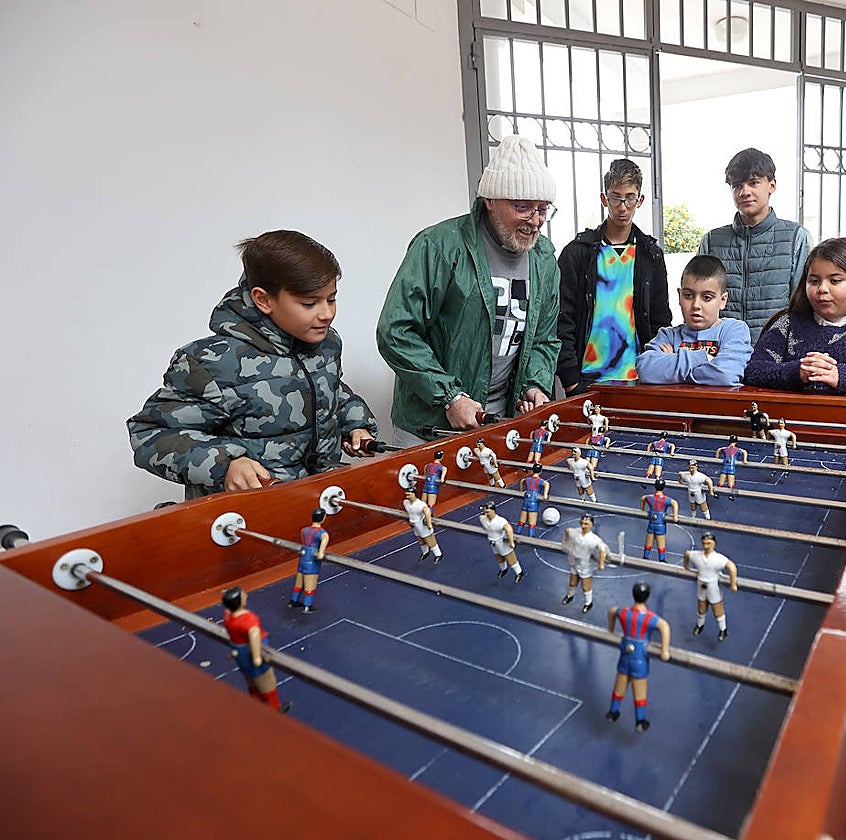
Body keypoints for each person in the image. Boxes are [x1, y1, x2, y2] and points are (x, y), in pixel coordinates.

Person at [128, 231, 378, 499]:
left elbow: (331, 391)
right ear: (264, 300)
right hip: (249, 512)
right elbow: (150, 434)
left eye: (331, 299)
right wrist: (226, 465)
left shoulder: (326, 344)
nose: (326, 314)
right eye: (309, 303)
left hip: (321, 500)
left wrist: (355, 424)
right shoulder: (211, 364)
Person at [377, 135, 561, 442]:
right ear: (490, 201)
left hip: (499, 422)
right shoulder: (439, 246)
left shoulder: (543, 258)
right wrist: (449, 396)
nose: (535, 221)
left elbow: (544, 338)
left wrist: (535, 384)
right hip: (430, 426)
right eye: (523, 207)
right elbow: (396, 331)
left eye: (543, 209)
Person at [556, 159, 672, 394]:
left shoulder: (650, 255)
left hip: (639, 377)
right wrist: (570, 378)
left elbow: (660, 316)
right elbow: (562, 317)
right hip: (586, 379)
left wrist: (659, 365)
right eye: (615, 198)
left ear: (640, 200)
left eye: (630, 198)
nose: (622, 206)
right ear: (604, 199)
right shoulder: (577, 253)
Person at [744, 237, 846, 395]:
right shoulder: (787, 324)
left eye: (835, 280)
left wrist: (842, 375)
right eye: (814, 281)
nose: (822, 289)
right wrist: (798, 372)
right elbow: (753, 370)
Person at [698, 148, 811, 342]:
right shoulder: (711, 241)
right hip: (721, 351)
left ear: (772, 185)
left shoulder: (796, 238)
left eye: (754, 183)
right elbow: (698, 302)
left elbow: (803, 305)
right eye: (737, 185)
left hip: (775, 350)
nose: (744, 192)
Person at [634, 255, 751, 386]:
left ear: (722, 300)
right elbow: (645, 371)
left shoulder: (734, 330)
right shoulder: (668, 335)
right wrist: (703, 358)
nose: (696, 305)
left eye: (707, 297)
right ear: (679, 296)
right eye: (688, 295)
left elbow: (725, 375)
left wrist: (670, 367)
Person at [607, 581, 671, 732]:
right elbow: (664, 626)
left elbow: (612, 611)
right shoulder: (649, 618)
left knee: (620, 684)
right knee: (639, 689)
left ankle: (612, 712)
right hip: (640, 658)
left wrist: (611, 629)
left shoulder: (625, 613)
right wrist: (664, 650)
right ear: (647, 597)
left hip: (625, 655)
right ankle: (640, 721)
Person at [222, 587, 288, 712]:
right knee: (267, 681)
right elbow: (254, 632)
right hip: (252, 651)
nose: (246, 596)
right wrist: (257, 657)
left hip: (239, 651)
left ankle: (255, 705)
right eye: (243, 596)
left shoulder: (228, 615)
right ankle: (275, 709)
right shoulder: (248, 618)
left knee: (250, 680)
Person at [683, 532, 738, 642]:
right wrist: (686, 566)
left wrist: (733, 584)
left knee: (717, 610)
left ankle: (723, 630)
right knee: (701, 608)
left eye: (709, 543)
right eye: (704, 543)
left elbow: (731, 567)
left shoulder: (718, 558)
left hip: (713, 586)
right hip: (701, 585)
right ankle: (700, 625)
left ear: (714, 543)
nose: (706, 546)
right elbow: (687, 554)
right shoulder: (697, 555)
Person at [561, 513, 608, 614]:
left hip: (585, 565)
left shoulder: (593, 539)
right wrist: (566, 543)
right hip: (574, 562)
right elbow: (567, 531)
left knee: (585, 586)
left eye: (586, 524)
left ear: (591, 525)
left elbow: (603, 549)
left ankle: (588, 603)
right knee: (572, 582)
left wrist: (601, 563)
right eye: (582, 523)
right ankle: (569, 596)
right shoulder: (575, 532)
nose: (583, 526)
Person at [289, 509, 329, 612]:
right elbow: (324, 542)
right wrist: (321, 553)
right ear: (323, 518)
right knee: (310, 583)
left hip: (303, 557)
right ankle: (307, 605)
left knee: (299, 582)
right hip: (312, 561)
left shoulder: (304, 530)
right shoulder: (322, 533)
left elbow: (304, 540)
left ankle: (293, 601)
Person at [479, 502, 525, 582]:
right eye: (485, 512)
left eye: (487, 512)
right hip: (492, 542)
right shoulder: (484, 519)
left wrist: (511, 542)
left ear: (493, 511)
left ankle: (519, 573)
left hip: (501, 542)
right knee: (499, 557)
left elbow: (509, 529)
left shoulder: (500, 521)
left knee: (510, 558)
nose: (486, 514)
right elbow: (480, 518)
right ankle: (504, 569)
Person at [640, 479, 678, 562]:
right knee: (661, 543)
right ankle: (662, 559)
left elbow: (643, 498)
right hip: (660, 524)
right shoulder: (665, 499)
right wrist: (675, 516)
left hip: (651, 523)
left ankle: (645, 557)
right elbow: (674, 503)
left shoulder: (650, 497)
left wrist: (642, 510)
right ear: (663, 487)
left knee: (649, 542)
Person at [402, 487, 443, 564]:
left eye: (409, 495)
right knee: (420, 540)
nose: (407, 497)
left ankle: (438, 555)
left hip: (421, 524)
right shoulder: (406, 503)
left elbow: (427, 512)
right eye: (406, 495)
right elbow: (409, 512)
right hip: (414, 524)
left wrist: (429, 524)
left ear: (414, 494)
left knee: (429, 540)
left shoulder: (420, 504)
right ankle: (425, 552)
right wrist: (409, 521)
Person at [516, 464, 549, 535]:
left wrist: (522, 490)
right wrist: (545, 494)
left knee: (521, 521)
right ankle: (531, 537)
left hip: (526, 500)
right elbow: (546, 484)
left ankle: (517, 534)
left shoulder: (528, 479)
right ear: (540, 471)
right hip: (533, 502)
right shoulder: (540, 481)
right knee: (532, 523)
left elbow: (522, 481)